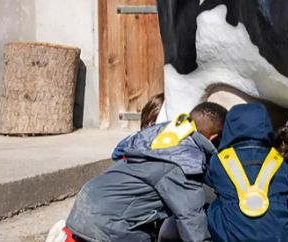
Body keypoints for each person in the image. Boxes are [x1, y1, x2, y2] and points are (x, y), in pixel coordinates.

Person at [60, 102, 227, 242]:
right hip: (108, 226)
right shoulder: (183, 161)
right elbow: (192, 221)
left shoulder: (157, 140)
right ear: (214, 139)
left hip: (83, 211)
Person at [205, 103, 288, 242]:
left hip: (232, 237)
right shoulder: (280, 161)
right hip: (279, 237)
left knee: (214, 201)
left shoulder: (218, 161)